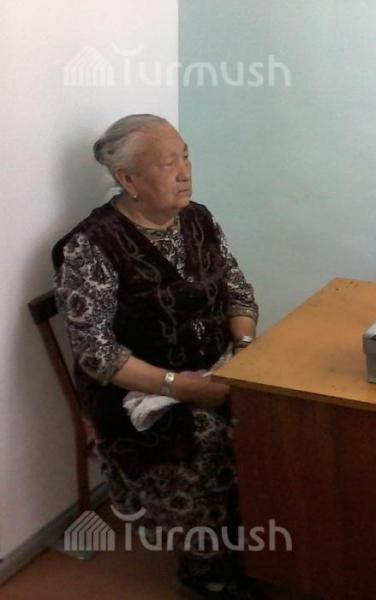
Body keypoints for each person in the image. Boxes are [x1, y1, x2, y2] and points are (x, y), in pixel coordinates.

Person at [54, 114, 262, 598]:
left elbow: (238, 292)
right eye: (168, 164)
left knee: (279, 417)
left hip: (216, 370)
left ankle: (263, 548)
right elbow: (97, 355)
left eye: (185, 156)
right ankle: (206, 570)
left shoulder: (199, 219)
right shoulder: (91, 246)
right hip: (139, 396)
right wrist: (184, 388)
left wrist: (244, 352)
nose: (185, 172)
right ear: (127, 179)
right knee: (208, 436)